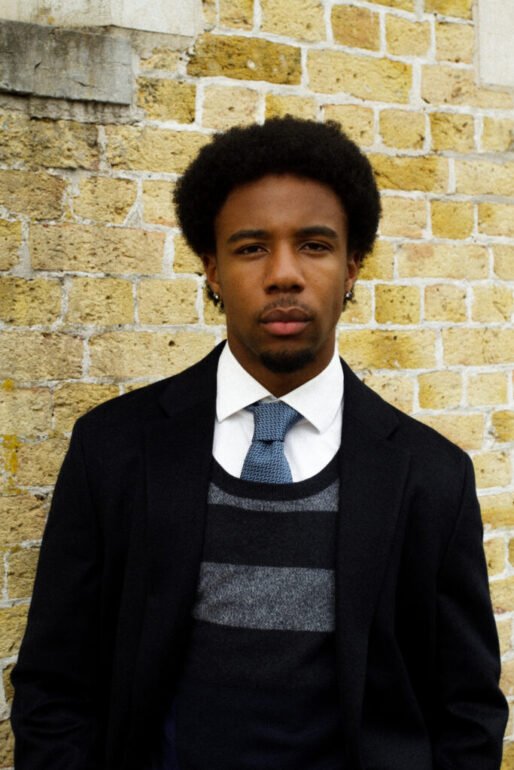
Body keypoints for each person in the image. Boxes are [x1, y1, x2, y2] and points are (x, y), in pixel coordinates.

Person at [11, 117, 507, 770]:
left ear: (352, 266)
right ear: (212, 268)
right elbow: (55, 685)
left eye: (314, 245)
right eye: (251, 248)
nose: (284, 275)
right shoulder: (114, 449)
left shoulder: (432, 476)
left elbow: (466, 709)